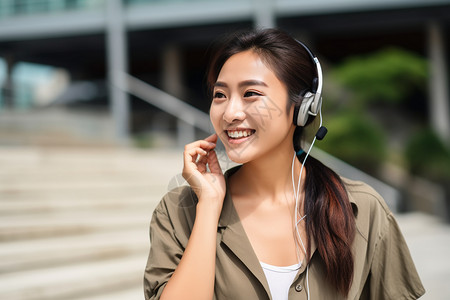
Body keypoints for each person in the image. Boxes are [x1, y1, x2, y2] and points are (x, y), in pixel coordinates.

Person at [144, 28, 425, 300]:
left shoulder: (362, 209)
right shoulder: (178, 211)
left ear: (303, 108)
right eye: (220, 95)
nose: (230, 113)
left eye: (251, 93)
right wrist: (208, 207)